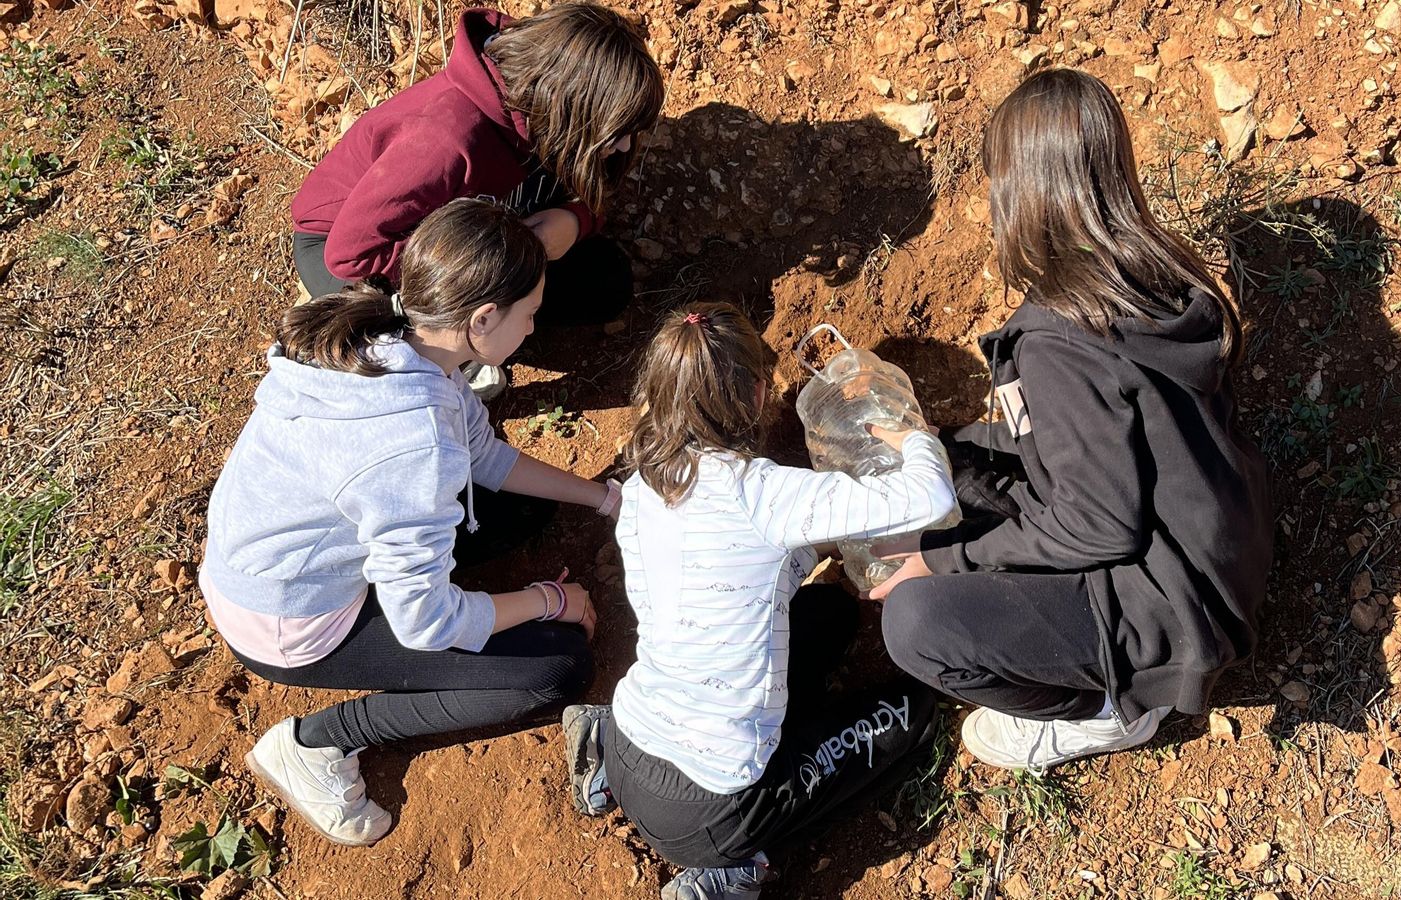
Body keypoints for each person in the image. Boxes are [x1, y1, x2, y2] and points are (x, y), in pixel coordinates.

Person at [870, 68, 1274, 772]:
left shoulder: (1061, 341)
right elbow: (1084, 444)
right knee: (947, 482)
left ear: (1023, 191)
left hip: (1168, 608)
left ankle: (1108, 712)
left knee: (915, 622)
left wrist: (941, 563)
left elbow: (1098, 526)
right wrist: (946, 448)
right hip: (1217, 555)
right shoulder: (1148, 270)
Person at [201, 198, 621, 847]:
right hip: (290, 618)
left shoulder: (390, 329)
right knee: (556, 669)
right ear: (484, 320)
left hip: (282, 544)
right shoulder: (413, 446)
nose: (535, 327)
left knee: (527, 505)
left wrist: (600, 498)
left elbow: (481, 454)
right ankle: (315, 745)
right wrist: (548, 600)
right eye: (530, 314)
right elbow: (430, 622)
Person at [563, 303, 957, 900]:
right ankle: (736, 869)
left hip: (628, 739)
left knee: (831, 613)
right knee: (912, 712)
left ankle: (601, 768)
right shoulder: (761, 492)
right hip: (712, 810)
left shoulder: (645, 484)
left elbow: (745, 566)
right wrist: (916, 436)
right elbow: (927, 495)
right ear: (752, 392)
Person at [289, 3, 664, 395]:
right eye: (615, 132)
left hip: (480, 234)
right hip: (355, 251)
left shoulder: (545, 109)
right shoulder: (446, 144)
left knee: (605, 282)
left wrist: (572, 222)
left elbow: (591, 190)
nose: (623, 145)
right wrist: (481, 272)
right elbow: (349, 255)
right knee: (411, 351)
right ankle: (447, 362)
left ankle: (482, 331)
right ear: (570, 108)